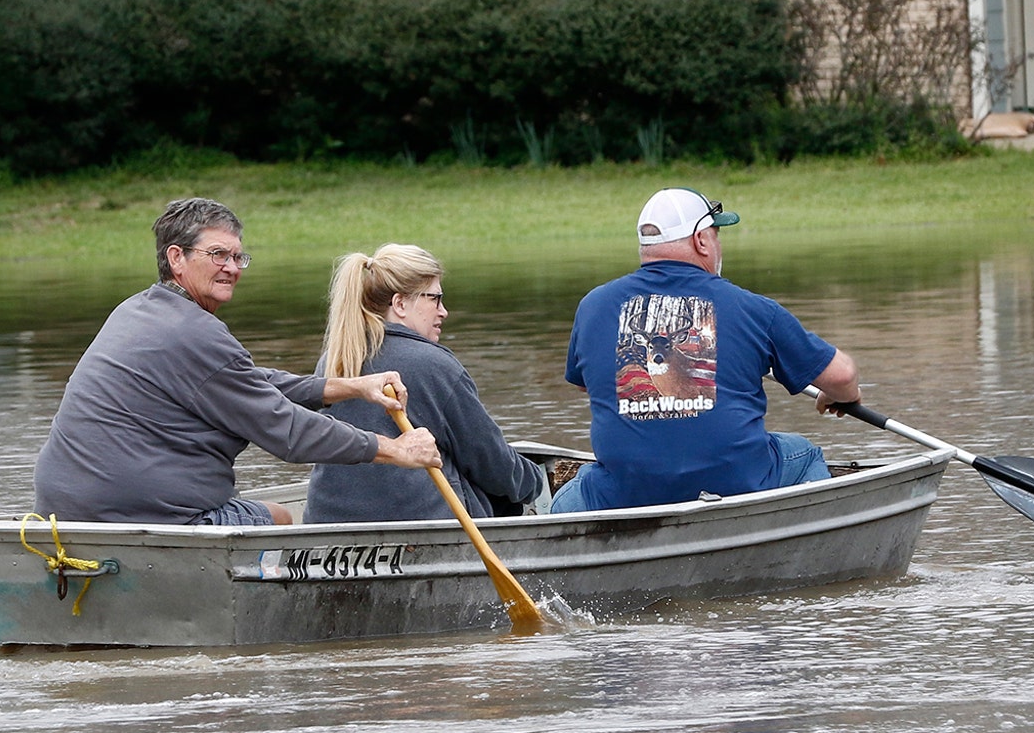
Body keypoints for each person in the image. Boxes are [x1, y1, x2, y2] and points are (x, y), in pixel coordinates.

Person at [33, 197, 441, 526]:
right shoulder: (196, 332)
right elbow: (287, 431)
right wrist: (393, 448)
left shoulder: (135, 311)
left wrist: (351, 387)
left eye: (237, 257)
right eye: (217, 255)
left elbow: (244, 381)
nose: (231, 268)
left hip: (65, 515)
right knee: (281, 519)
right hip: (148, 518)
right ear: (177, 258)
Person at [551, 187, 864, 512]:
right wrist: (843, 396)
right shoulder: (753, 308)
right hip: (738, 485)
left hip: (625, 492)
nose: (718, 243)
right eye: (716, 233)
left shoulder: (593, 306)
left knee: (567, 498)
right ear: (701, 240)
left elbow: (584, 382)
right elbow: (841, 375)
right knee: (804, 452)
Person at [304, 244, 545, 523]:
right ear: (401, 304)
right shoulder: (434, 364)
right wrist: (536, 482)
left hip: (326, 521)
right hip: (419, 523)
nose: (444, 312)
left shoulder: (334, 359)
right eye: (435, 299)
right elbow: (490, 462)